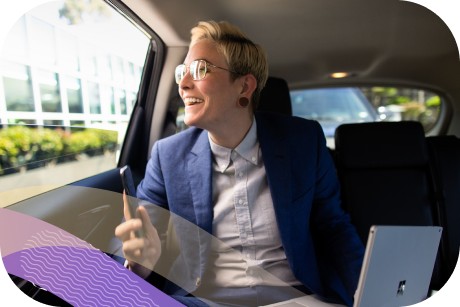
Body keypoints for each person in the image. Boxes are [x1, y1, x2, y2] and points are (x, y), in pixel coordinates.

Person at [115, 20, 364, 307]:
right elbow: (140, 232)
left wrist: (364, 292)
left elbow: (334, 227)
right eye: (182, 72)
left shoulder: (303, 141)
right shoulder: (168, 155)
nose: (183, 84)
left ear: (244, 86)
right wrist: (140, 264)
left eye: (200, 69)